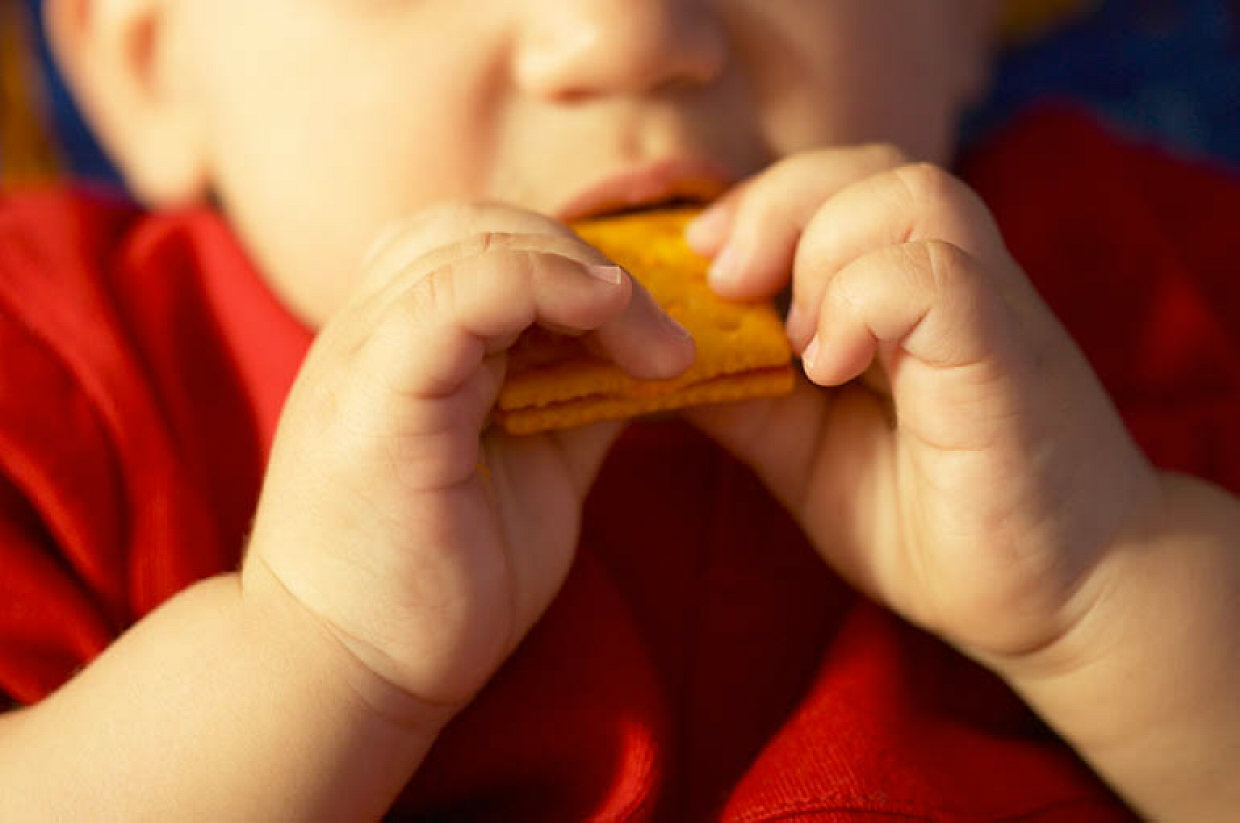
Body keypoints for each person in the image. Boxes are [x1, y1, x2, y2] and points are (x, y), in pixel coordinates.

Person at [0, 0, 1236, 819]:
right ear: (151, 58)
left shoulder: (1155, 283)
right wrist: (315, 649)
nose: (627, 33)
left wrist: (1108, 582)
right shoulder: (55, 374)